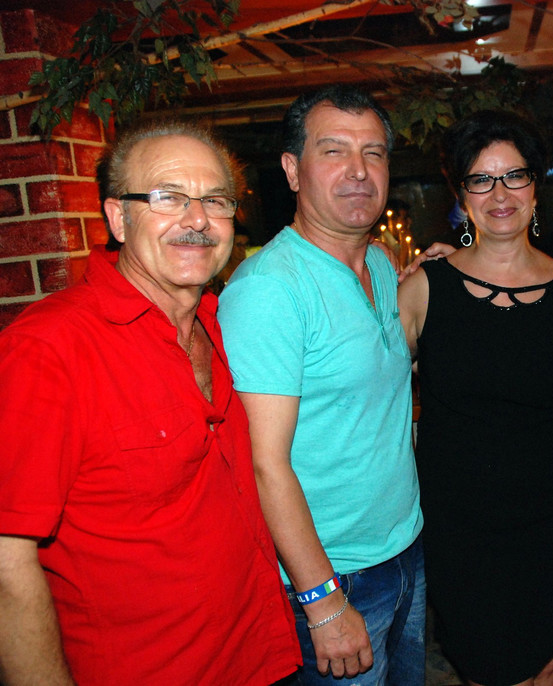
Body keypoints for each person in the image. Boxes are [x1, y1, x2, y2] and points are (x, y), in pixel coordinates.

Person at [0, 119, 300, 685]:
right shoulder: (48, 350)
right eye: (168, 197)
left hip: (261, 656)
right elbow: (5, 564)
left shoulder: (216, 322)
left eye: (215, 200)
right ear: (118, 218)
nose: (197, 219)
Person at [398, 110, 553, 686]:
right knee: (483, 664)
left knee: (541, 659)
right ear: (462, 195)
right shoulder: (424, 289)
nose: (500, 194)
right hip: (455, 519)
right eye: (481, 179)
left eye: (514, 176)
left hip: (545, 513)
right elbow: (377, 394)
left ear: (535, 187)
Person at [217, 86, 424, 684]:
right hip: (333, 577)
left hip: (406, 549)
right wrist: (323, 601)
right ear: (291, 170)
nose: (359, 170)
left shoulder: (380, 263)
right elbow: (264, 464)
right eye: (334, 151)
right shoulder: (269, 289)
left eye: (373, 153)